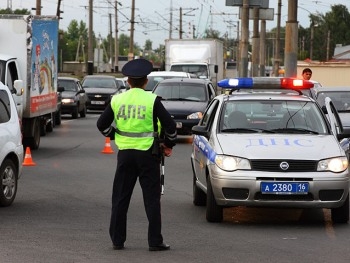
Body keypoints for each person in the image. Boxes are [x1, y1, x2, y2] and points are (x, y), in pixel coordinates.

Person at [96, 58, 177, 252]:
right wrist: (168, 144)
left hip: (125, 155)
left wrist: (114, 135)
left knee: (120, 198)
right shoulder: (152, 100)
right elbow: (171, 127)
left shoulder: (117, 99)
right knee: (151, 199)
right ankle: (155, 241)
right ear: (146, 81)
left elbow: (101, 125)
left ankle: (117, 240)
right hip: (148, 155)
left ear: (128, 81)